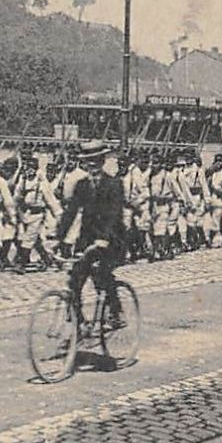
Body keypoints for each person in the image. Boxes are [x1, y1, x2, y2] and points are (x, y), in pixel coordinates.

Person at [54, 141, 129, 331]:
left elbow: (115, 214)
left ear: (102, 161)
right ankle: (80, 324)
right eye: (89, 162)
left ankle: (115, 311)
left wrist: (104, 238)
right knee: (74, 279)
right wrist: (58, 236)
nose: (92, 165)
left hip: (111, 239)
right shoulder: (82, 185)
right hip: (86, 239)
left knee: (101, 273)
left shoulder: (114, 184)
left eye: (96, 161)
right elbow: (71, 212)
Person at [12, 150, 59, 272]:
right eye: (27, 167)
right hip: (25, 213)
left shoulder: (42, 182)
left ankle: (21, 264)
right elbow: (16, 197)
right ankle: (47, 258)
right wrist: (12, 211)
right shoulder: (23, 180)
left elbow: (50, 199)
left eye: (32, 168)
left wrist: (59, 215)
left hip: (38, 214)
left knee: (28, 239)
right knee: (35, 239)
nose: (29, 170)